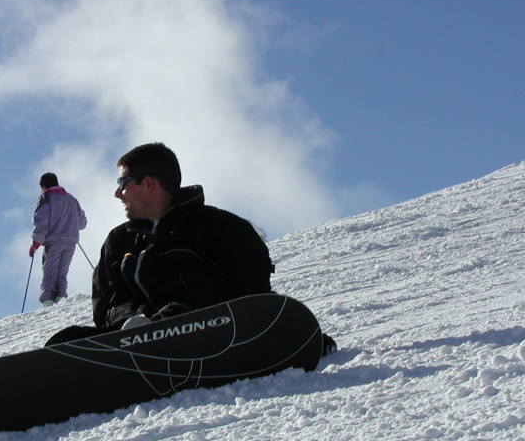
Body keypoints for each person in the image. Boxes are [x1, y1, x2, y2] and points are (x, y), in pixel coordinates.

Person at [45, 142, 336, 355]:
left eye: (123, 183)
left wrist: (182, 315)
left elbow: (252, 299)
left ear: (148, 183)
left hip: (209, 338)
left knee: (179, 316)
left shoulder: (222, 229)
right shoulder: (118, 243)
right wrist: (139, 323)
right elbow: (106, 308)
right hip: (132, 345)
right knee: (64, 340)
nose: (117, 193)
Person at [30, 172, 87, 306]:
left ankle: (48, 299)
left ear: (43, 186)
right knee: (62, 270)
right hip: (71, 242)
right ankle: (61, 296)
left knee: (50, 269)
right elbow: (82, 223)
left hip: (53, 242)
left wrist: (35, 243)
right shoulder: (72, 199)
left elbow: (41, 222)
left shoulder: (46, 198)